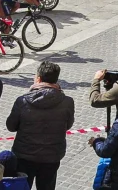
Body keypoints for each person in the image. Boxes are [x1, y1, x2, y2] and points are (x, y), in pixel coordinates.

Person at [5, 60, 75, 190]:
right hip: (52, 155)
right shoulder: (67, 102)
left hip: (24, 155)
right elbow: (68, 125)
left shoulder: (22, 101)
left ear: (38, 79)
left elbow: (11, 126)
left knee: (22, 186)